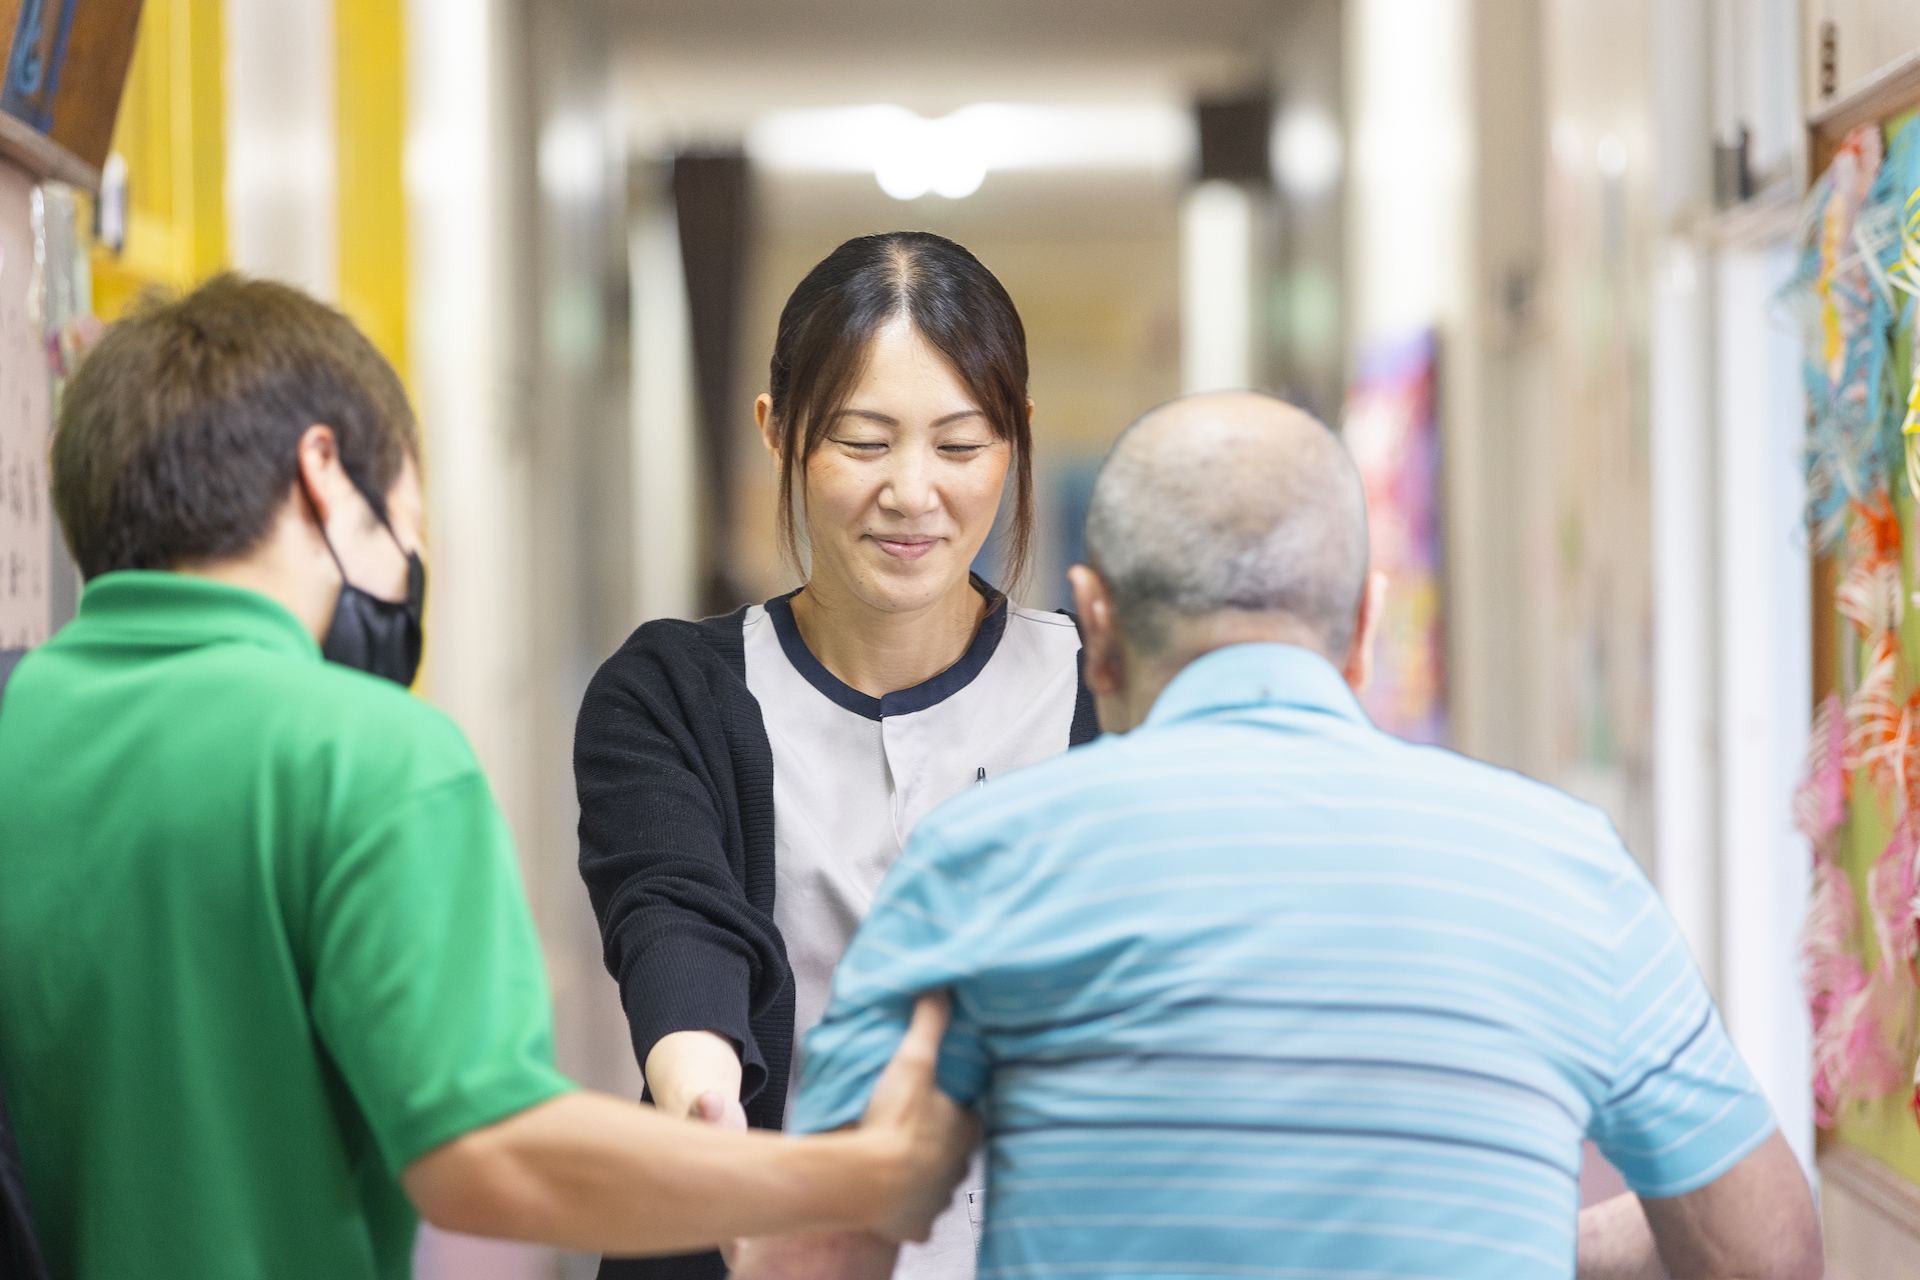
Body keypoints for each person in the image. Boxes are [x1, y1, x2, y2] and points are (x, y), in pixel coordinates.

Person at [0, 276, 974, 1280]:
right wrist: (848, 1177)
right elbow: (482, 1151)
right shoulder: (365, 752)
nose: (409, 567)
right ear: (326, 474)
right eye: (406, 526)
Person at [738, 391, 1823, 1280]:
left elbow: (816, 1255)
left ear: (1095, 623)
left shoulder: (977, 860)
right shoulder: (1568, 863)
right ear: (1364, 625)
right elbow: (1768, 1252)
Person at [576, 230, 1096, 1279]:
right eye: (864, 442)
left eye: (960, 445)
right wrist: (710, 1122)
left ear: (1017, 440)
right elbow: (673, 923)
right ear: (780, 432)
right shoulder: (674, 693)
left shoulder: (1103, 696)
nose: (914, 492)